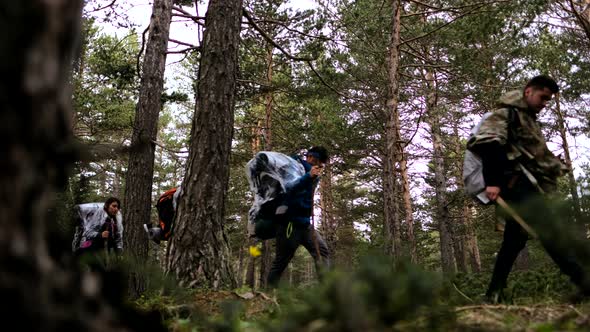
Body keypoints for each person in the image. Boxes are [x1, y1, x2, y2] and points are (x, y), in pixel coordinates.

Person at [467, 75, 590, 303]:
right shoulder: (506, 114)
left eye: (548, 99)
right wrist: (492, 182)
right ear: (528, 92)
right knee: (549, 233)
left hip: (527, 187)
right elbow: (489, 143)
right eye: (543, 97)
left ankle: (493, 294)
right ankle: (584, 282)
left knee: (514, 241)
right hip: (515, 187)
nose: (545, 103)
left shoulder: (527, 119)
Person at [266, 146, 331, 287]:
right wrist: (308, 177)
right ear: (312, 158)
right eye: (320, 163)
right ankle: (267, 296)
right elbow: (288, 189)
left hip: (305, 225)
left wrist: (312, 178)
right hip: (288, 225)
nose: (320, 167)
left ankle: (327, 293)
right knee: (281, 261)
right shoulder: (294, 167)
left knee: (322, 250)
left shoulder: (313, 174)